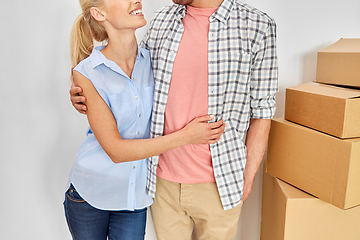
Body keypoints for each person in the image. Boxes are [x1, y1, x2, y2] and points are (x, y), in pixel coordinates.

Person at [70, 0, 278, 239]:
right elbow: (127, 73)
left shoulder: (257, 26)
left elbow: (262, 110)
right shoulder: (161, 21)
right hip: (162, 183)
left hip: (220, 183)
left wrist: (247, 178)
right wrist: (84, 90)